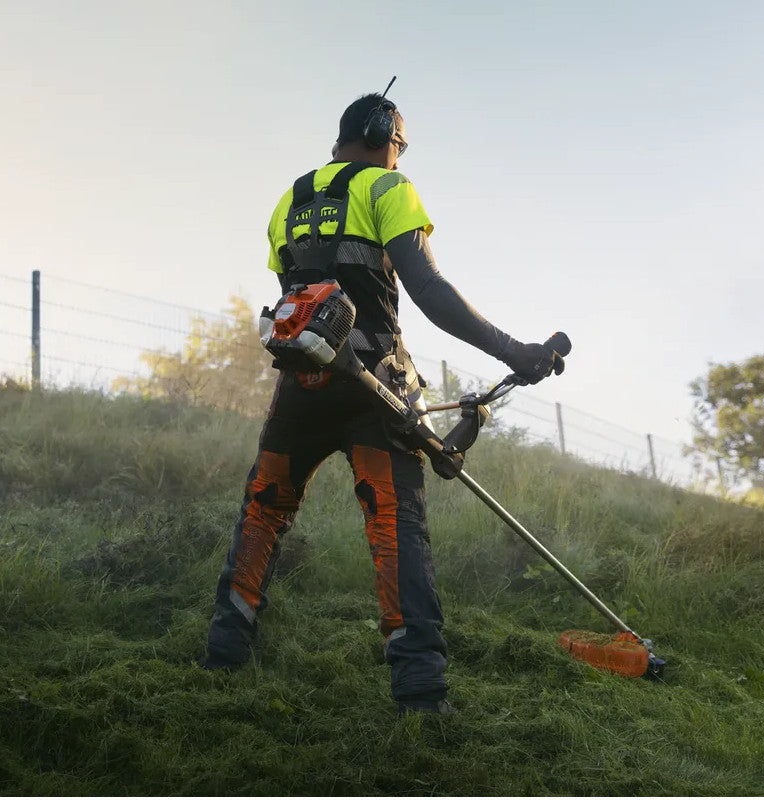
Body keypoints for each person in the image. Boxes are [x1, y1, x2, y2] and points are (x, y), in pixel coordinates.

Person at [201, 88, 565, 716]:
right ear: (381, 134)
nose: (399, 156)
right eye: (400, 144)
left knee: (263, 511)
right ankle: (421, 694)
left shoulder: (289, 199)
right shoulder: (387, 189)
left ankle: (223, 653)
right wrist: (515, 352)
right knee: (395, 525)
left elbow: (297, 293)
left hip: (302, 382)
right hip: (374, 387)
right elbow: (427, 288)